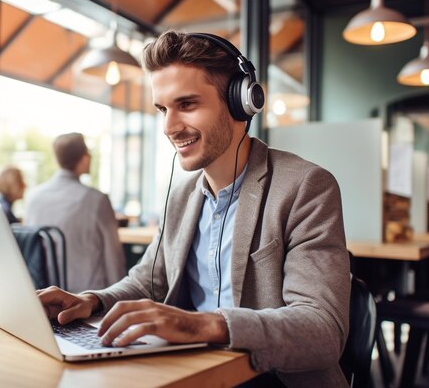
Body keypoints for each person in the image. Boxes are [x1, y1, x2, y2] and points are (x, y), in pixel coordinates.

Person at [37, 31, 350, 387]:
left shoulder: (305, 187)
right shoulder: (182, 195)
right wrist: (90, 302)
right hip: (192, 373)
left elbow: (323, 330)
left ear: (239, 103)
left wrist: (201, 324)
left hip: (272, 378)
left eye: (186, 105)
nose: (169, 127)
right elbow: (149, 280)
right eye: (162, 109)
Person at [25, 133, 126, 293]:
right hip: (87, 298)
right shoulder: (97, 200)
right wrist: (119, 296)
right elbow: (113, 258)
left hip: (43, 294)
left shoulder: (32, 197)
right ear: (85, 159)